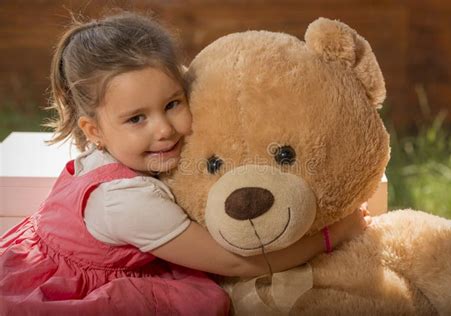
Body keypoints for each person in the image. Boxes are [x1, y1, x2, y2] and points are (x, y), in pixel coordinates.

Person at [0, 11, 371, 316]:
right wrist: (333, 235)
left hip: (52, 254)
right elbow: (235, 263)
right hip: (70, 290)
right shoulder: (126, 202)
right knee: (205, 301)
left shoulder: (117, 155)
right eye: (136, 119)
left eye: (173, 104)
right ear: (93, 130)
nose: (164, 129)